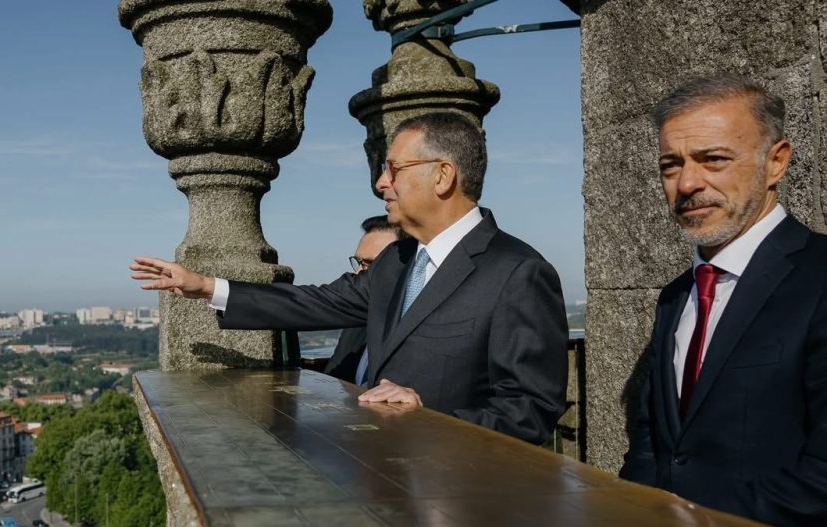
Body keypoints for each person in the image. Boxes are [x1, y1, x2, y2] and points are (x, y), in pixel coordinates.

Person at [132, 111, 568, 445]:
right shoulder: (397, 259)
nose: (381, 183)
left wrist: (428, 413)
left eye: (395, 169)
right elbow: (314, 303)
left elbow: (531, 410)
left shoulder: (518, 273)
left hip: (462, 503)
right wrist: (207, 286)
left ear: (442, 175)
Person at [620, 75, 827, 527]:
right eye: (670, 165)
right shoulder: (676, 296)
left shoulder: (819, 278)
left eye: (713, 159)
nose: (688, 183)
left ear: (776, 162)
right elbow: (652, 442)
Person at [325, 215, 404, 383]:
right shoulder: (358, 320)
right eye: (358, 262)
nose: (358, 273)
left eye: (369, 264)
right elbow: (334, 375)